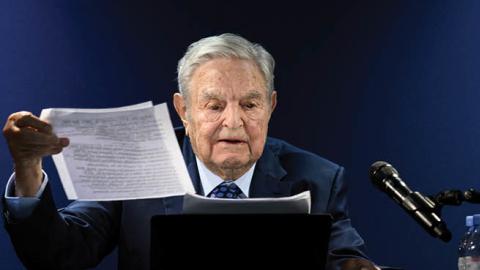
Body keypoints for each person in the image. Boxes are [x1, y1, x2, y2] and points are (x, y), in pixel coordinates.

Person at [1, 33, 379, 270]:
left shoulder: (319, 178)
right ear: (184, 110)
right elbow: (59, 256)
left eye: (249, 105)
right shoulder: (138, 165)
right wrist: (29, 167)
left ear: (271, 106)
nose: (233, 122)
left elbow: (343, 258)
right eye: (214, 106)